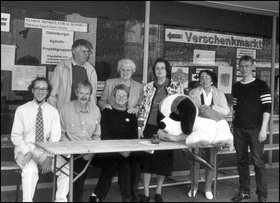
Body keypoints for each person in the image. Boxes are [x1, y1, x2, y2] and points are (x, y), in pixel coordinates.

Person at [11, 77, 69, 202]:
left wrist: (49, 156)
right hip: (25, 149)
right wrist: (26, 151)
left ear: (48, 92)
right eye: (37, 88)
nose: (40, 91)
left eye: (43, 89)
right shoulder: (21, 110)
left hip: (44, 152)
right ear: (32, 90)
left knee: (67, 170)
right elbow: (16, 135)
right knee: (31, 170)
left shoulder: (53, 112)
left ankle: (60, 200)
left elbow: (55, 137)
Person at [137, 58, 184, 202]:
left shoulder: (177, 87)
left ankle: (158, 192)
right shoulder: (148, 87)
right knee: (147, 160)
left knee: (163, 161)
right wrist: (139, 126)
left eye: (162, 68)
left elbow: (180, 109)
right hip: (149, 126)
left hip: (166, 128)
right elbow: (142, 107)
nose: (159, 71)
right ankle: (145, 193)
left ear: (167, 70)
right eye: (157, 68)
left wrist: (175, 129)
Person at [89, 84, 141, 202]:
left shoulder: (131, 114)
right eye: (118, 95)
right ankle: (99, 197)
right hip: (109, 151)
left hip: (126, 151)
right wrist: (119, 150)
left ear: (128, 98)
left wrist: (126, 151)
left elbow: (133, 137)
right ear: (113, 96)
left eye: (124, 95)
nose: (121, 98)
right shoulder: (107, 112)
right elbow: (105, 136)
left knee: (128, 164)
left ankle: (127, 197)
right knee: (115, 165)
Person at [231, 55, 271, 203]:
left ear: (253, 67)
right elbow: (235, 108)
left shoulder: (261, 84)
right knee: (241, 161)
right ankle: (244, 191)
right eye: (241, 66)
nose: (244, 69)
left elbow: (267, 108)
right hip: (239, 129)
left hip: (256, 130)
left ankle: (262, 195)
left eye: (247, 66)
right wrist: (233, 126)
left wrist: (263, 129)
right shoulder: (236, 86)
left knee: (258, 162)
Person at [188, 70, 230, 200]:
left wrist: (211, 107)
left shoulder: (219, 94)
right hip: (198, 130)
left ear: (212, 80)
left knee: (211, 161)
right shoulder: (193, 93)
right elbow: (188, 110)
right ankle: (194, 187)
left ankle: (207, 188)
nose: (205, 79)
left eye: (207, 77)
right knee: (195, 160)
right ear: (199, 80)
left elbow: (226, 110)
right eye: (202, 77)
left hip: (214, 130)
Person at [59, 80, 101, 202]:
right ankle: (74, 199)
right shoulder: (65, 109)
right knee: (77, 171)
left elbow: (97, 135)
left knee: (112, 164)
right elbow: (61, 134)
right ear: (76, 93)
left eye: (87, 94)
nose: (84, 96)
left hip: (90, 151)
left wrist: (91, 151)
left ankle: (94, 196)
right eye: (81, 93)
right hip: (71, 151)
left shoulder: (95, 110)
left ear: (90, 95)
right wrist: (72, 151)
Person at [48, 39, 98, 111]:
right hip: (65, 111)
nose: (86, 55)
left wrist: (93, 112)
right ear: (74, 52)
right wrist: (54, 113)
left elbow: (92, 96)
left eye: (88, 52)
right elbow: (52, 94)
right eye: (83, 51)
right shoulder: (62, 67)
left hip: (84, 112)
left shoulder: (91, 70)